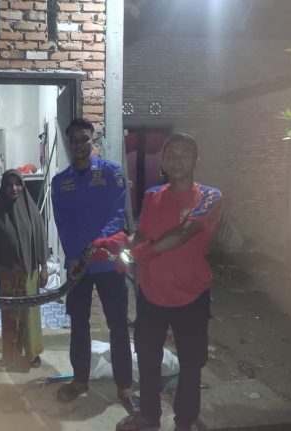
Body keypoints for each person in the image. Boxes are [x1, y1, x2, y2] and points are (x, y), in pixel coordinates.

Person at [93, 133, 223, 431]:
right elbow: (143, 235)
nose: (177, 160)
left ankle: (185, 420)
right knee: (148, 359)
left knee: (191, 363)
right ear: (162, 161)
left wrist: (138, 254)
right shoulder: (153, 195)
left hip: (192, 295)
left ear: (196, 160)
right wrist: (117, 244)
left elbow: (184, 232)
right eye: (171, 155)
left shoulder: (210, 196)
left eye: (184, 154)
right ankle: (149, 416)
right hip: (152, 294)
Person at [50, 118, 135, 412]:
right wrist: (74, 255)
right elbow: (63, 223)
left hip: (108, 262)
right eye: (73, 140)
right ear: (68, 143)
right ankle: (80, 380)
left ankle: (125, 386)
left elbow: (117, 216)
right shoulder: (60, 182)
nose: (79, 145)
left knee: (118, 325)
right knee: (78, 323)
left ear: (92, 140)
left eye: (84, 139)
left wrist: (96, 245)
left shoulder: (111, 173)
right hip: (78, 265)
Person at [0, 169, 49, 368]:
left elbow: (40, 239)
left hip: (29, 272)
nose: (14, 188)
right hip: (5, 273)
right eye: (9, 185)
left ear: (22, 186)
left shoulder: (31, 210)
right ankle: (10, 353)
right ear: (3, 187)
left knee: (29, 313)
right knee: (9, 314)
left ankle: (32, 353)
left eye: (17, 184)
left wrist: (44, 267)